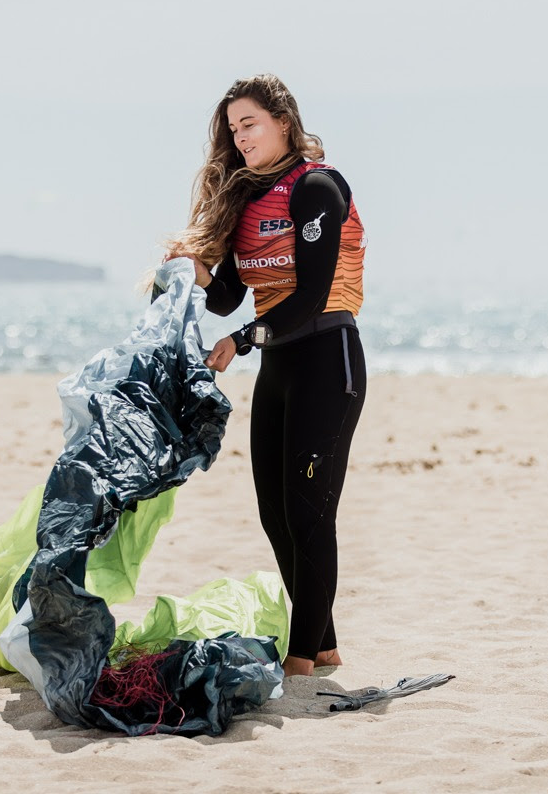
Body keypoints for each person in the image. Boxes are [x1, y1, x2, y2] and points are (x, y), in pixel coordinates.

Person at [167, 73, 366, 678]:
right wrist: (193, 271)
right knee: (275, 512)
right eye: (233, 129)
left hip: (328, 358)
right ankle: (323, 642)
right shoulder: (250, 200)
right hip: (279, 366)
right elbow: (230, 295)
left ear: (283, 120)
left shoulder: (317, 188)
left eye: (249, 123)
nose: (240, 138)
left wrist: (244, 339)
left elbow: (308, 297)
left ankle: (300, 658)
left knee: (310, 512)